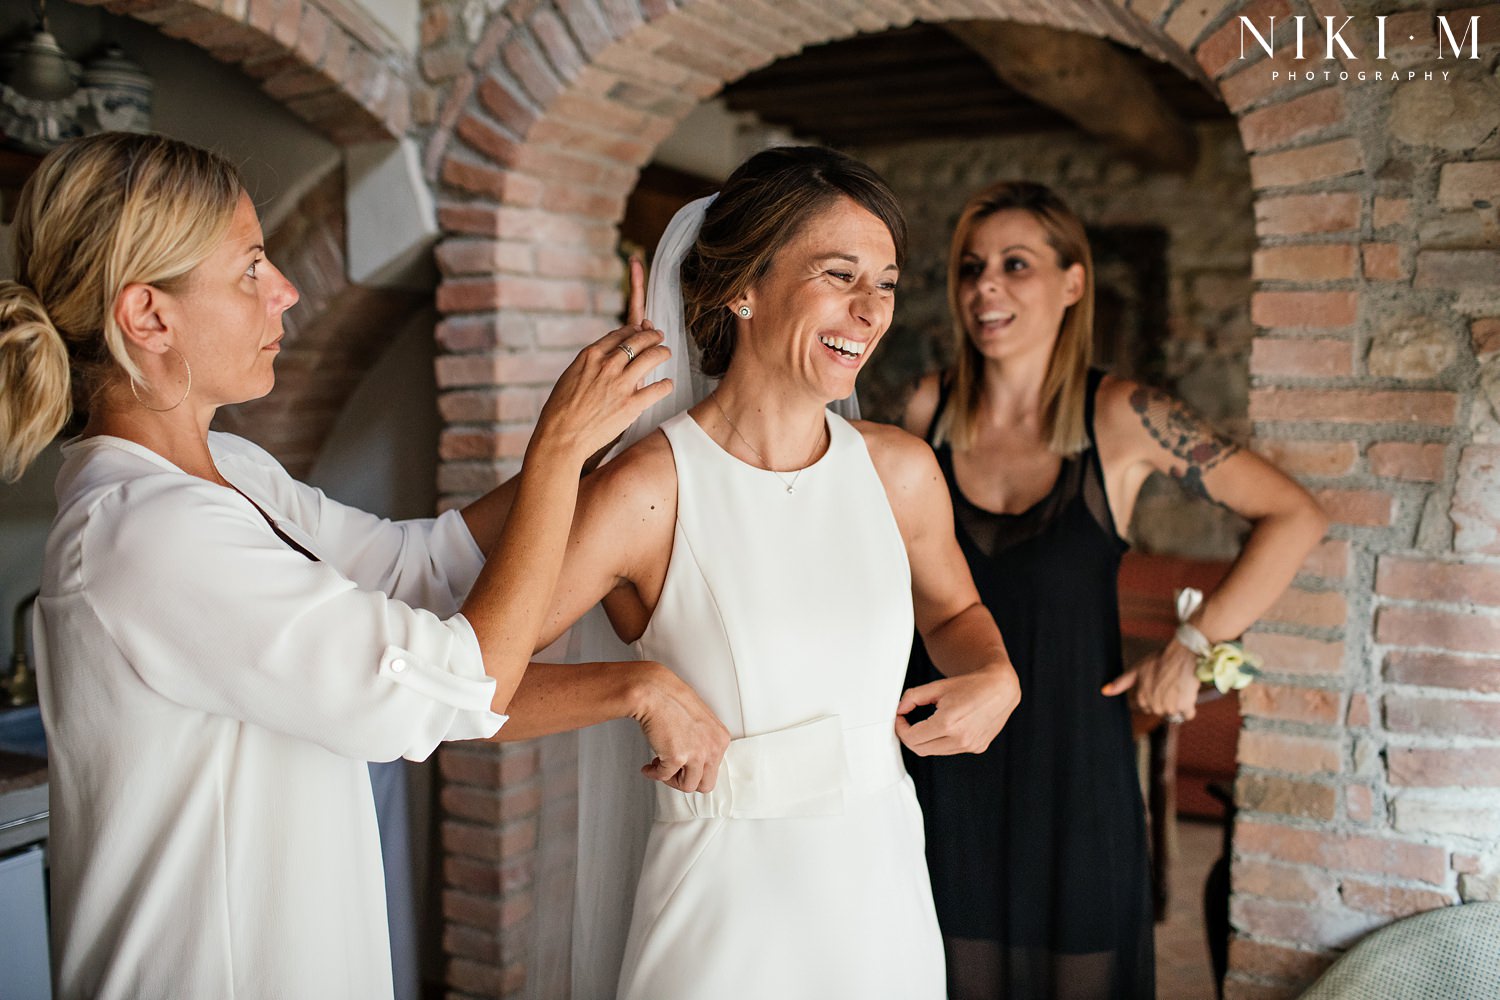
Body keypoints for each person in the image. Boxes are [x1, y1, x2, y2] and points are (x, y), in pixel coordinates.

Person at [0, 131, 676, 1000]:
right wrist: (556, 452)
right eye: (250, 269)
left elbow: (420, 565)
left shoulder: (231, 473)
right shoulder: (145, 534)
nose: (284, 290)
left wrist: (592, 444)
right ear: (147, 316)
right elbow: (456, 685)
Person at [495, 146, 1024, 1000]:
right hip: (722, 915)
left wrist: (995, 673)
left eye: (885, 282)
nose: (870, 309)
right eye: (840, 273)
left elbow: (955, 611)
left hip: (883, 894)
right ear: (743, 287)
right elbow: (470, 697)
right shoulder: (648, 491)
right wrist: (635, 687)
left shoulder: (900, 471)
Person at [901, 180, 1329, 1000]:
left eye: (1014, 264)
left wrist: (1194, 648)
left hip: (1077, 773)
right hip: (943, 764)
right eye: (970, 266)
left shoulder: (1124, 415)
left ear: (1072, 283)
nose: (984, 286)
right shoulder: (929, 410)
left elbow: (1293, 515)